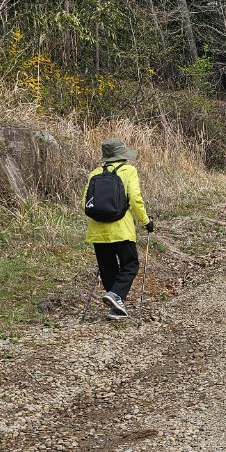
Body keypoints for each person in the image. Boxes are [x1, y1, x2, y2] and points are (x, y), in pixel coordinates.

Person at [84, 137, 153, 320]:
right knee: (131, 264)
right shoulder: (128, 170)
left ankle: (116, 308)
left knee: (108, 268)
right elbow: (135, 199)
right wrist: (146, 221)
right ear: (121, 155)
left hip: (97, 231)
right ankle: (116, 296)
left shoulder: (94, 174)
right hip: (121, 229)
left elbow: (85, 203)